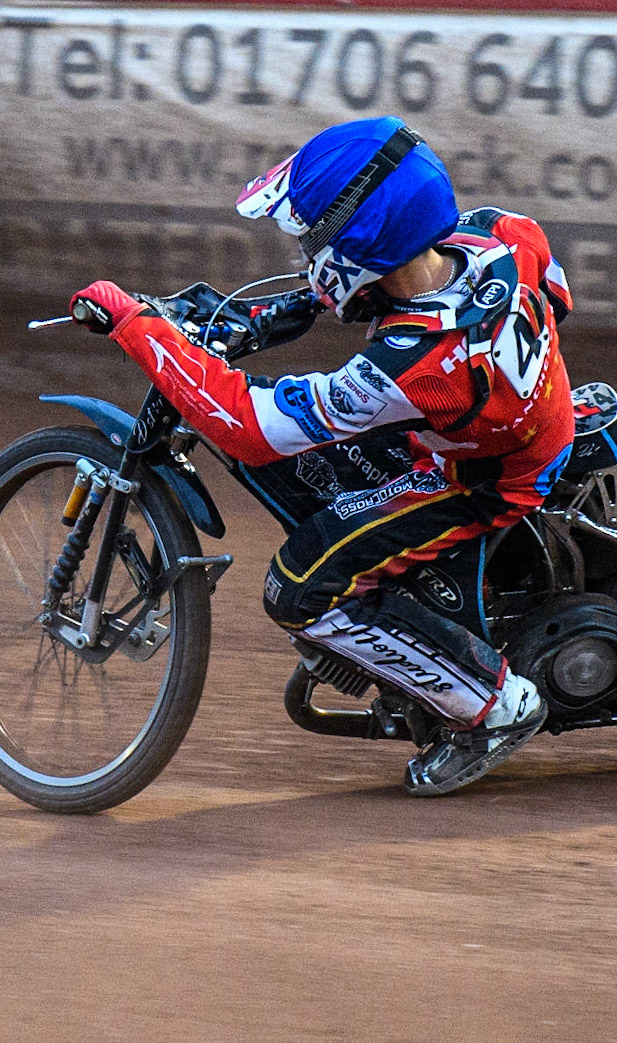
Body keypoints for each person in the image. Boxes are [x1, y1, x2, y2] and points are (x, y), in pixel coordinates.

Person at [69, 116, 575, 795]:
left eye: (315, 236)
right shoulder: (497, 234)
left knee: (298, 586)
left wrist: (138, 327)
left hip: (483, 478)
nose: (307, 248)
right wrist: (252, 318)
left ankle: (492, 706)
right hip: (521, 421)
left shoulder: (411, 365)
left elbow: (246, 425)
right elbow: (557, 295)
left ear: (363, 234)